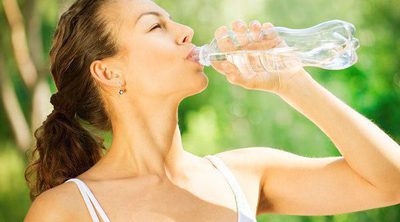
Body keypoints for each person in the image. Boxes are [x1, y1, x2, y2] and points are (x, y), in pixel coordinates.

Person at [24, 0, 400, 221]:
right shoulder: (66, 210)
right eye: (155, 26)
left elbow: (391, 180)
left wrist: (292, 83)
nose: (185, 30)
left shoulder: (245, 175)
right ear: (108, 71)